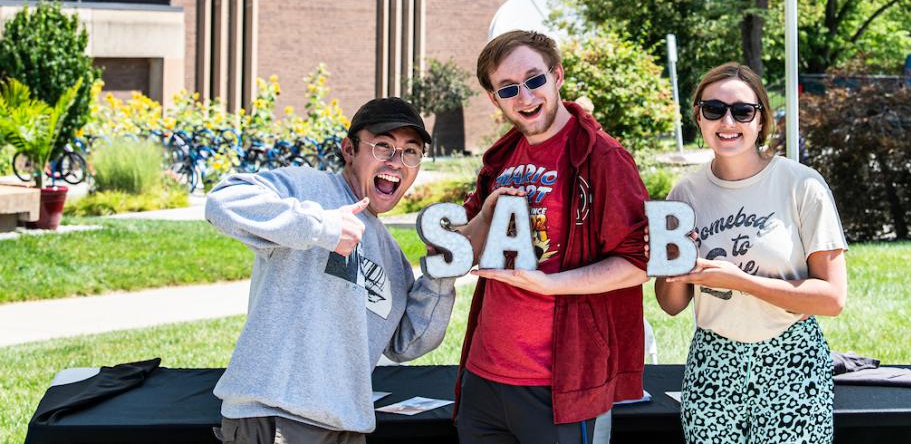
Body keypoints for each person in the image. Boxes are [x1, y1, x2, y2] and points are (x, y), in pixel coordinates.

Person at [205, 97, 457, 444]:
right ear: (349, 150)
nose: (396, 163)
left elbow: (404, 344)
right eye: (383, 146)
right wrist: (322, 227)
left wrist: (440, 276)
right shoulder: (309, 188)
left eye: (410, 152)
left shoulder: (391, 255)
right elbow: (224, 201)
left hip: (346, 427)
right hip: (277, 418)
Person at [453, 30, 649, 444]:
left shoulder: (601, 156)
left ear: (557, 76)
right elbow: (459, 251)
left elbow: (639, 263)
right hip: (484, 376)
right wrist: (485, 215)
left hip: (562, 382)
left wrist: (549, 285)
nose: (525, 98)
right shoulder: (501, 159)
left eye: (534, 80)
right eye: (508, 88)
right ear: (494, 98)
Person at [654, 62, 848, 444]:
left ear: (761, 120)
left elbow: (832, 299)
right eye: (714, 109)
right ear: (699, 117)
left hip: (792, 360)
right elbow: (671, 304)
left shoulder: (802, 185)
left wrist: (739, 281)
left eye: (743, 111)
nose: (728, 121)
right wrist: (676, 264)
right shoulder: (684, 194)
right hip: (713, 362)